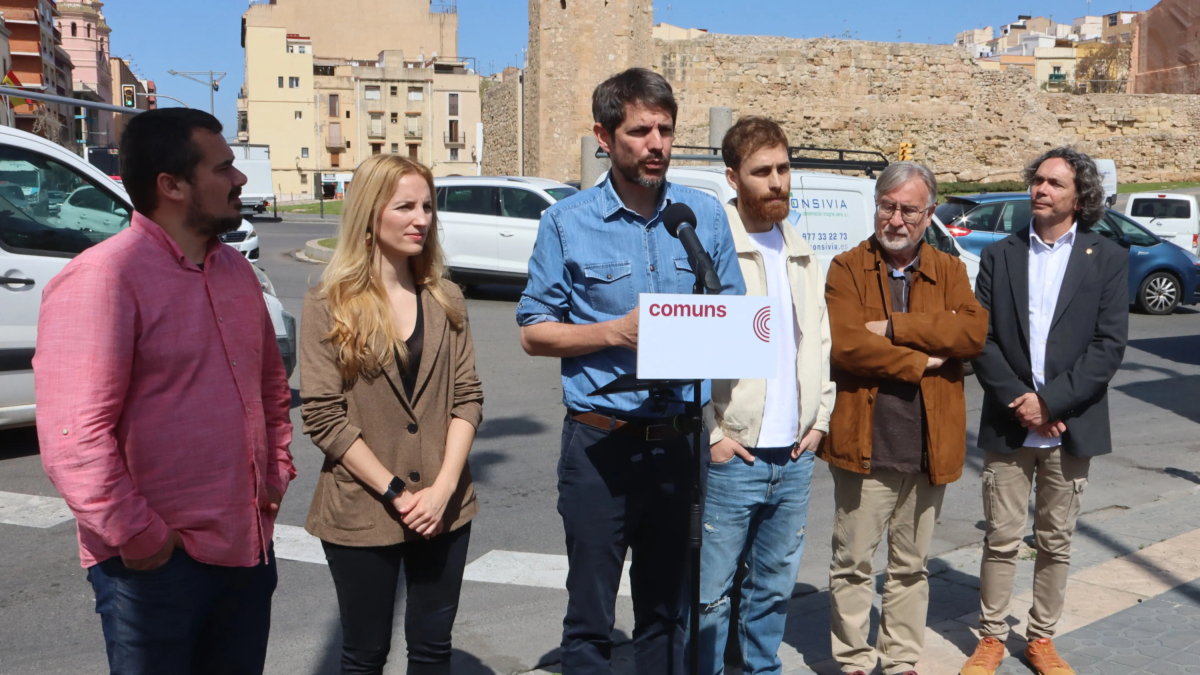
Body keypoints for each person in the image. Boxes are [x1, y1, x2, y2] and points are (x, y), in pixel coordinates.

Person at [34, 108, 295, 674]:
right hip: (154, 569)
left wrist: (275, 471)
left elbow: (271, 389)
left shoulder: (235, 272)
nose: (241, 180)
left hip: (246, 548)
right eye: (223, 168)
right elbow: (74, 439)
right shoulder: (103, 279)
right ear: (171, 185)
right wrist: (142, 538)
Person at [517, 67, 745, 675]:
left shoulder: (702, 217)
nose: (657, 145)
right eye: (641, 130)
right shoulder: (566, 222)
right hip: (600, 444)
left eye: (665, 130)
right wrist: (612, 333)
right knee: (590, 615)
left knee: (667, 614)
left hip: (678, 444)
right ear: (604, 135)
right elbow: (534, 332)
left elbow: (735, 317)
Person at [299, 154, 484, 675]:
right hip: (364, 508)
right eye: (405, 206)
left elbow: (467, 396)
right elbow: (324, 417)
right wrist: (397, 494)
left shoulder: (446, 298)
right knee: (364, 655)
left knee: (432, 651)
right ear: (369, 214)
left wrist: (445, 487)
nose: (421, 218)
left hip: (445, 506)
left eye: (426, 206)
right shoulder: (328, 302)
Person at [959, 148, 1128, 675]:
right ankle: (991, 637)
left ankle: (1041, 638)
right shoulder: (1001, 254)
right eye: (1037, 180)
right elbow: (981, 339)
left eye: (1054, 183)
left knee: (1055, 540)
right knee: (1001, 537)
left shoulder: (1107, 257)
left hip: (1070, 423)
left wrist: (1052, 402)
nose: (1040, 189)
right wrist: (1024, 402)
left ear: (1080, 197)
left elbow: (1108, 347)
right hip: (1010, 421)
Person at [820, 161, 988, 675]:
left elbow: (973, 333)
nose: (895, 219)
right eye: (887, 206)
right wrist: (922, 359)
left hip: (927, 443)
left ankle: (900, 660)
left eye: (908, 209)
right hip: (863, 442)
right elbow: (847, 345)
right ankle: (852, 659)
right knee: (852, 563)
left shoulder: (950, 269)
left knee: (910, 567)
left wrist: (893, 326)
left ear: (929, 213)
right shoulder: (846, 267)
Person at [692, 116, 833, 675]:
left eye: (784, 168)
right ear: (733, 177)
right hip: (735, 456)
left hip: (794, 456)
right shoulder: (711, 247)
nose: (777, 182)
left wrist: (819, 420)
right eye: (762, 172)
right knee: (711, 596)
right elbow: (688, 353)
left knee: (772, 592)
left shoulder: (799, 250)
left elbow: (818, 340)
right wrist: (714, 434)